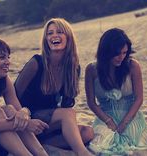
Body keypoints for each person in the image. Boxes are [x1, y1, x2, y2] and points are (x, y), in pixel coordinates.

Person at [14, 18, 94, 156]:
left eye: (59, 32)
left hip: (48, 125)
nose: (54, 36)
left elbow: (67, 103)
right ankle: (83, 153)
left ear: (68, 37)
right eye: (50, 33)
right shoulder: (36, 63)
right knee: (68, 113)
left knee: (87, 133)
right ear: (46, 39)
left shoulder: (73, 68)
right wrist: (26, 119)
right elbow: (13, 94)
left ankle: (39, 144)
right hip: (28, 119)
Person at [85, 28, 147, 155]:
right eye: (117, 53)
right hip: (105, 118)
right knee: (103, 144)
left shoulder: (133, 66)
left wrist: (124, 123)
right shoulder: (91, 69)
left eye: (124, 52)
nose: (121, 57)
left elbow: (139, 99)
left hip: (130, 116)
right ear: (106, 52)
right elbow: (91, 102)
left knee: (131, 143)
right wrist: (108, 121)